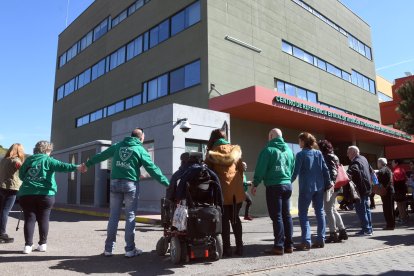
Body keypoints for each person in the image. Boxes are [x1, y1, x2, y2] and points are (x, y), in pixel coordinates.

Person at [84, 128, 169, 257]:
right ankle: (130, 250)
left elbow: (102, 155)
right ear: (141, 138)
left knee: (113, 216)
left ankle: (108, 249)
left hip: (115, 183)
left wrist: (87, 164)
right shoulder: (140, 149)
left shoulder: (118, 146)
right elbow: (152, 169)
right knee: (130, 216)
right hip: (130, 185)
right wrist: (167, 183)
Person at [18, 141, 81, 254]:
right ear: (46, 150)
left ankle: (28, 246)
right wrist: (77, 167)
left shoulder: (28, 160)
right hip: (46, 194)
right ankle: (42, 244)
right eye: (50, 151)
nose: (50, 153)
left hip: (27, 193)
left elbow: (21, 175)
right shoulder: (48, 160)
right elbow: (63, 166)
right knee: (44, 219)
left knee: (29, 219)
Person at [251, 128, 295, 255]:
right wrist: (287, 179)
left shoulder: (268, 150)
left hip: (274, 186)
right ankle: (289, 245)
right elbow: (292, 167)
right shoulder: (289, 151)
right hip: (287, 185)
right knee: (286, 215)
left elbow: (261, 169)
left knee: (277, 217)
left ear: (270, 136)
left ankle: (278, 246)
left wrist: (255, 183)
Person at [205, 129, 245, 257]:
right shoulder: (235, 150)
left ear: (213, 139)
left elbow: (208, 173)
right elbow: (240, 169)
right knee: (235, 219)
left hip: (221, 192)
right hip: (236, 193)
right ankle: (240, 248)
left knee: (224, 220)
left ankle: (227, 249)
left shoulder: (211, 153)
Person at [291, 132, 331, 251]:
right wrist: (328, 183)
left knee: (303, 213)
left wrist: (288, 181)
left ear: (303, 141)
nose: (299, 143)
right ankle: (321, 239)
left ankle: (306, 241)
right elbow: (325, 170)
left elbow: (295, 172)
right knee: (320, 212)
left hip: (306, 188)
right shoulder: (318, 153)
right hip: (319, 187)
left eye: (299, 141)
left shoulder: (300, 155)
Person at [317, 140, 348, 243]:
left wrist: (330, 185)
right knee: (332, 209)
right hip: (335, 187)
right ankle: (342, 231)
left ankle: (333, 233)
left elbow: (332, 172)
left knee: (328, 210)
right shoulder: (333, 156)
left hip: (330, 187)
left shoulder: (327, 157)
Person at [0, 144, 25, 243]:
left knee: (1, 210)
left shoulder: (3, 160)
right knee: (5, 211)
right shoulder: (16, 161)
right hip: (11, 188)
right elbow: (24, 171)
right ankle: (2, 234)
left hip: (1, 187)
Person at [346, 146, 373, 236]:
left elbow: (354, 169)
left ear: (353, 152)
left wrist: (346, 173)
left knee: (361, 210)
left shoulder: (355, 162)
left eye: (348, 152)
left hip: (360, 189)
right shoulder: (364, 158)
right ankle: (369, 229)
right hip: (367, 188)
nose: (347, 154)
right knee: (367, 209)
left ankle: (366, 229)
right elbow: (371, 170)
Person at [376, 158, 395, 230]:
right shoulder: (388, 169)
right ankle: (391, 224)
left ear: (380, 163)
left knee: (387, 209)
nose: (377, 164)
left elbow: (380, 172)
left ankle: (390, 225)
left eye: (378, 163)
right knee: (390, 208)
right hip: (389, 191)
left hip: (387, 191)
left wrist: (375, 173)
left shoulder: (383, 169)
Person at [391, 159, 409, 223]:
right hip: (403, 188)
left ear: (396, 163)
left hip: (398, 189)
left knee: (399, 204)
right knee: (403, 204)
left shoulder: (395, 171)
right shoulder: (402, 169)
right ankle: (404, 217)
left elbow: (393, 182)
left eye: (393, 162)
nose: (391, 164)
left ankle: (402, 218)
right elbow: (406, 179)